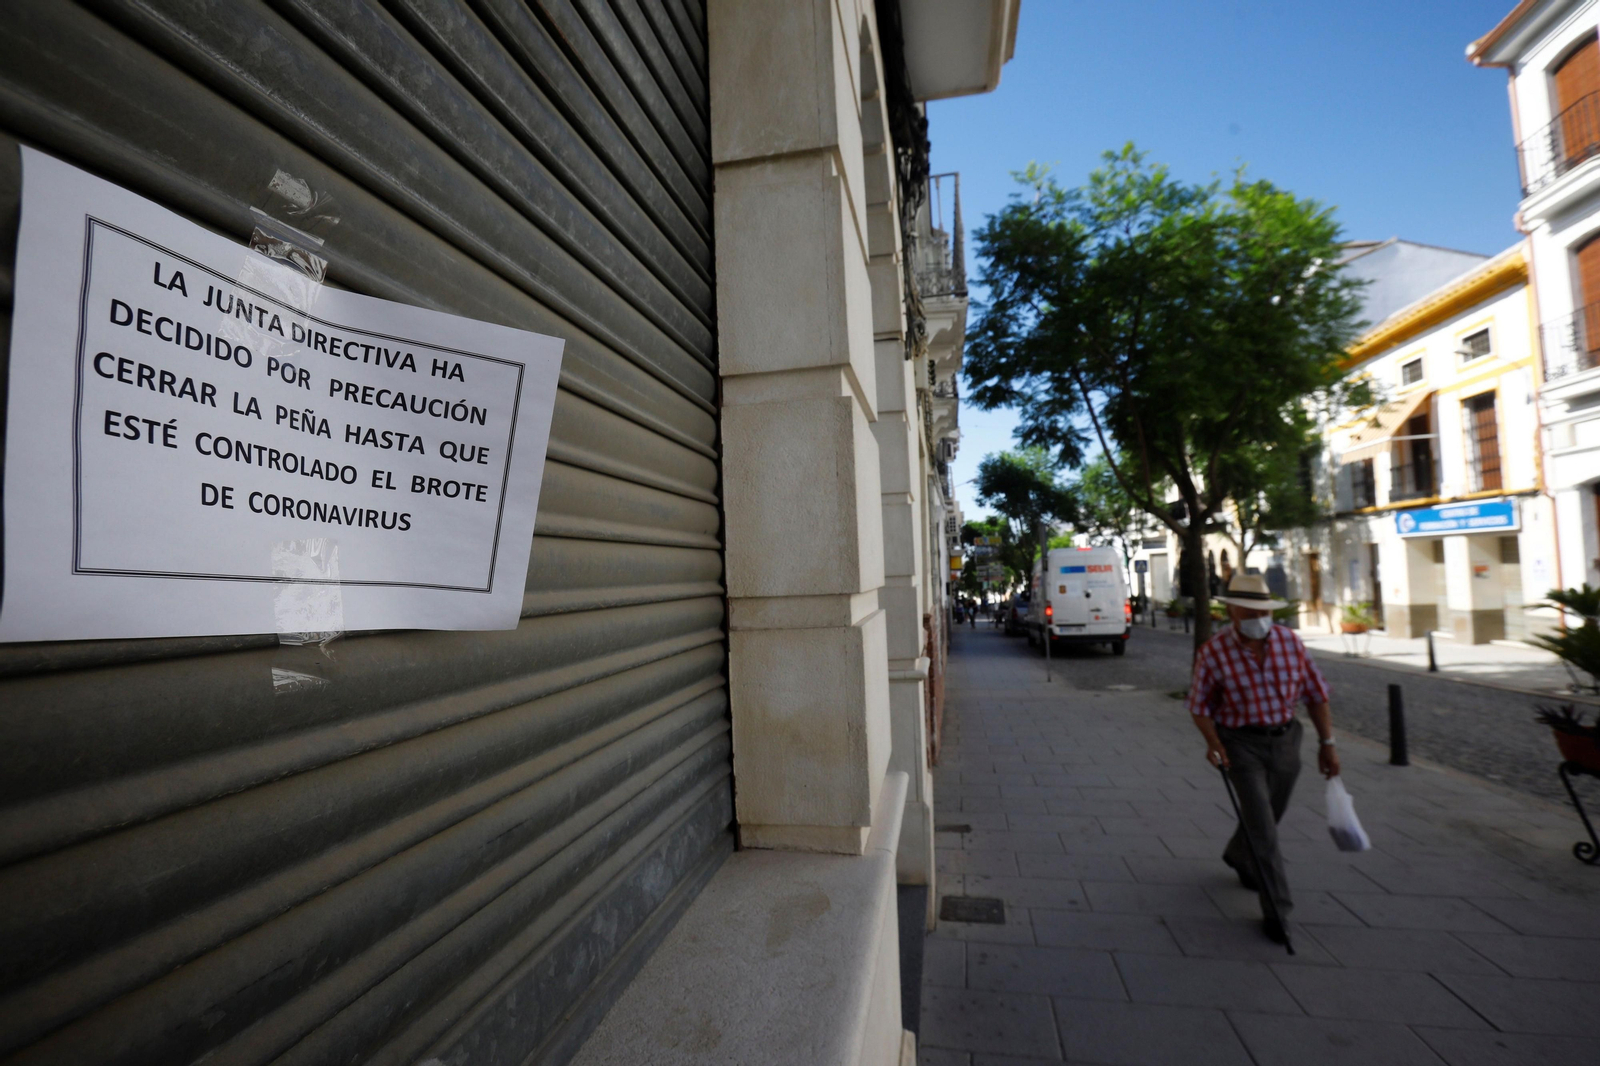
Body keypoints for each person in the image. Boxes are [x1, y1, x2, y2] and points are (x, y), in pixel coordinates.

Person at [1186, 572, 1340, 944]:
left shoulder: (1291, 644)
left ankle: (1239, 854)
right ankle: (1278, 911)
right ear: (1233, 611)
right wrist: (1213, 743)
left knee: (1269, 816)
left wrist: (1327, 743)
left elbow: (1316, 695)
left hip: (1287, 740)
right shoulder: (1213, 652)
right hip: (1241, 744)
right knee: (1264, 828)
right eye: (1250, 610)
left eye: (1262, 609)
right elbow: (1199, 705)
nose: (1258, 616)